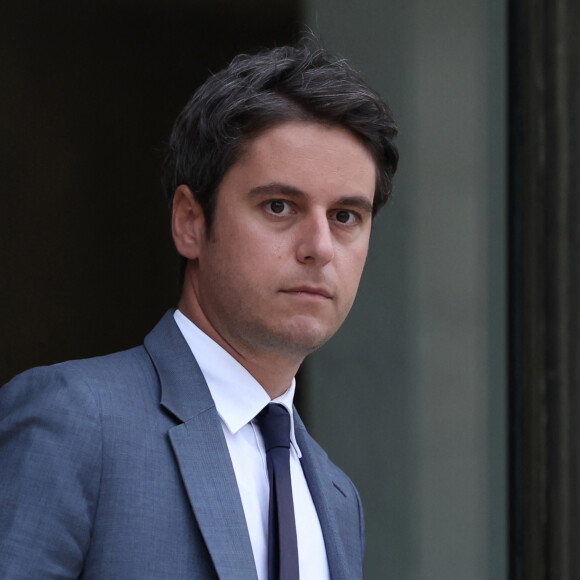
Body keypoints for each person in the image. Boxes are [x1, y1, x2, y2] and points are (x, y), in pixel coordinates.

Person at [0, 39, 398, 579]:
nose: (320, 246)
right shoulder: (76, 420)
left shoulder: (336, 497)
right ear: (190, 221)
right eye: (279, 206)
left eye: (346, 216)